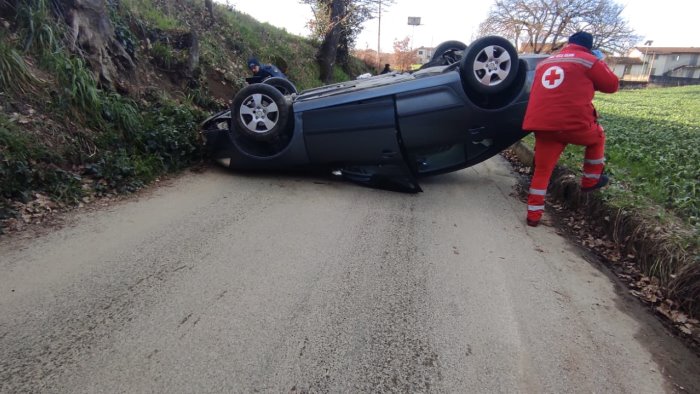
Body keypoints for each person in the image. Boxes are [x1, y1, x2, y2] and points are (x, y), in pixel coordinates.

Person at [522, 31, 619, 227]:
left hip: (543, 124)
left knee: (542, 171)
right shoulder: (589, 60)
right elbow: (611, 85)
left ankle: (533, 215)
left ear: (569, 43)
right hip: (572, 124)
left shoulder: (546, 63)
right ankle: (590, 180)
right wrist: (600, 62)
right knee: (598, 136)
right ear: (589, 47)